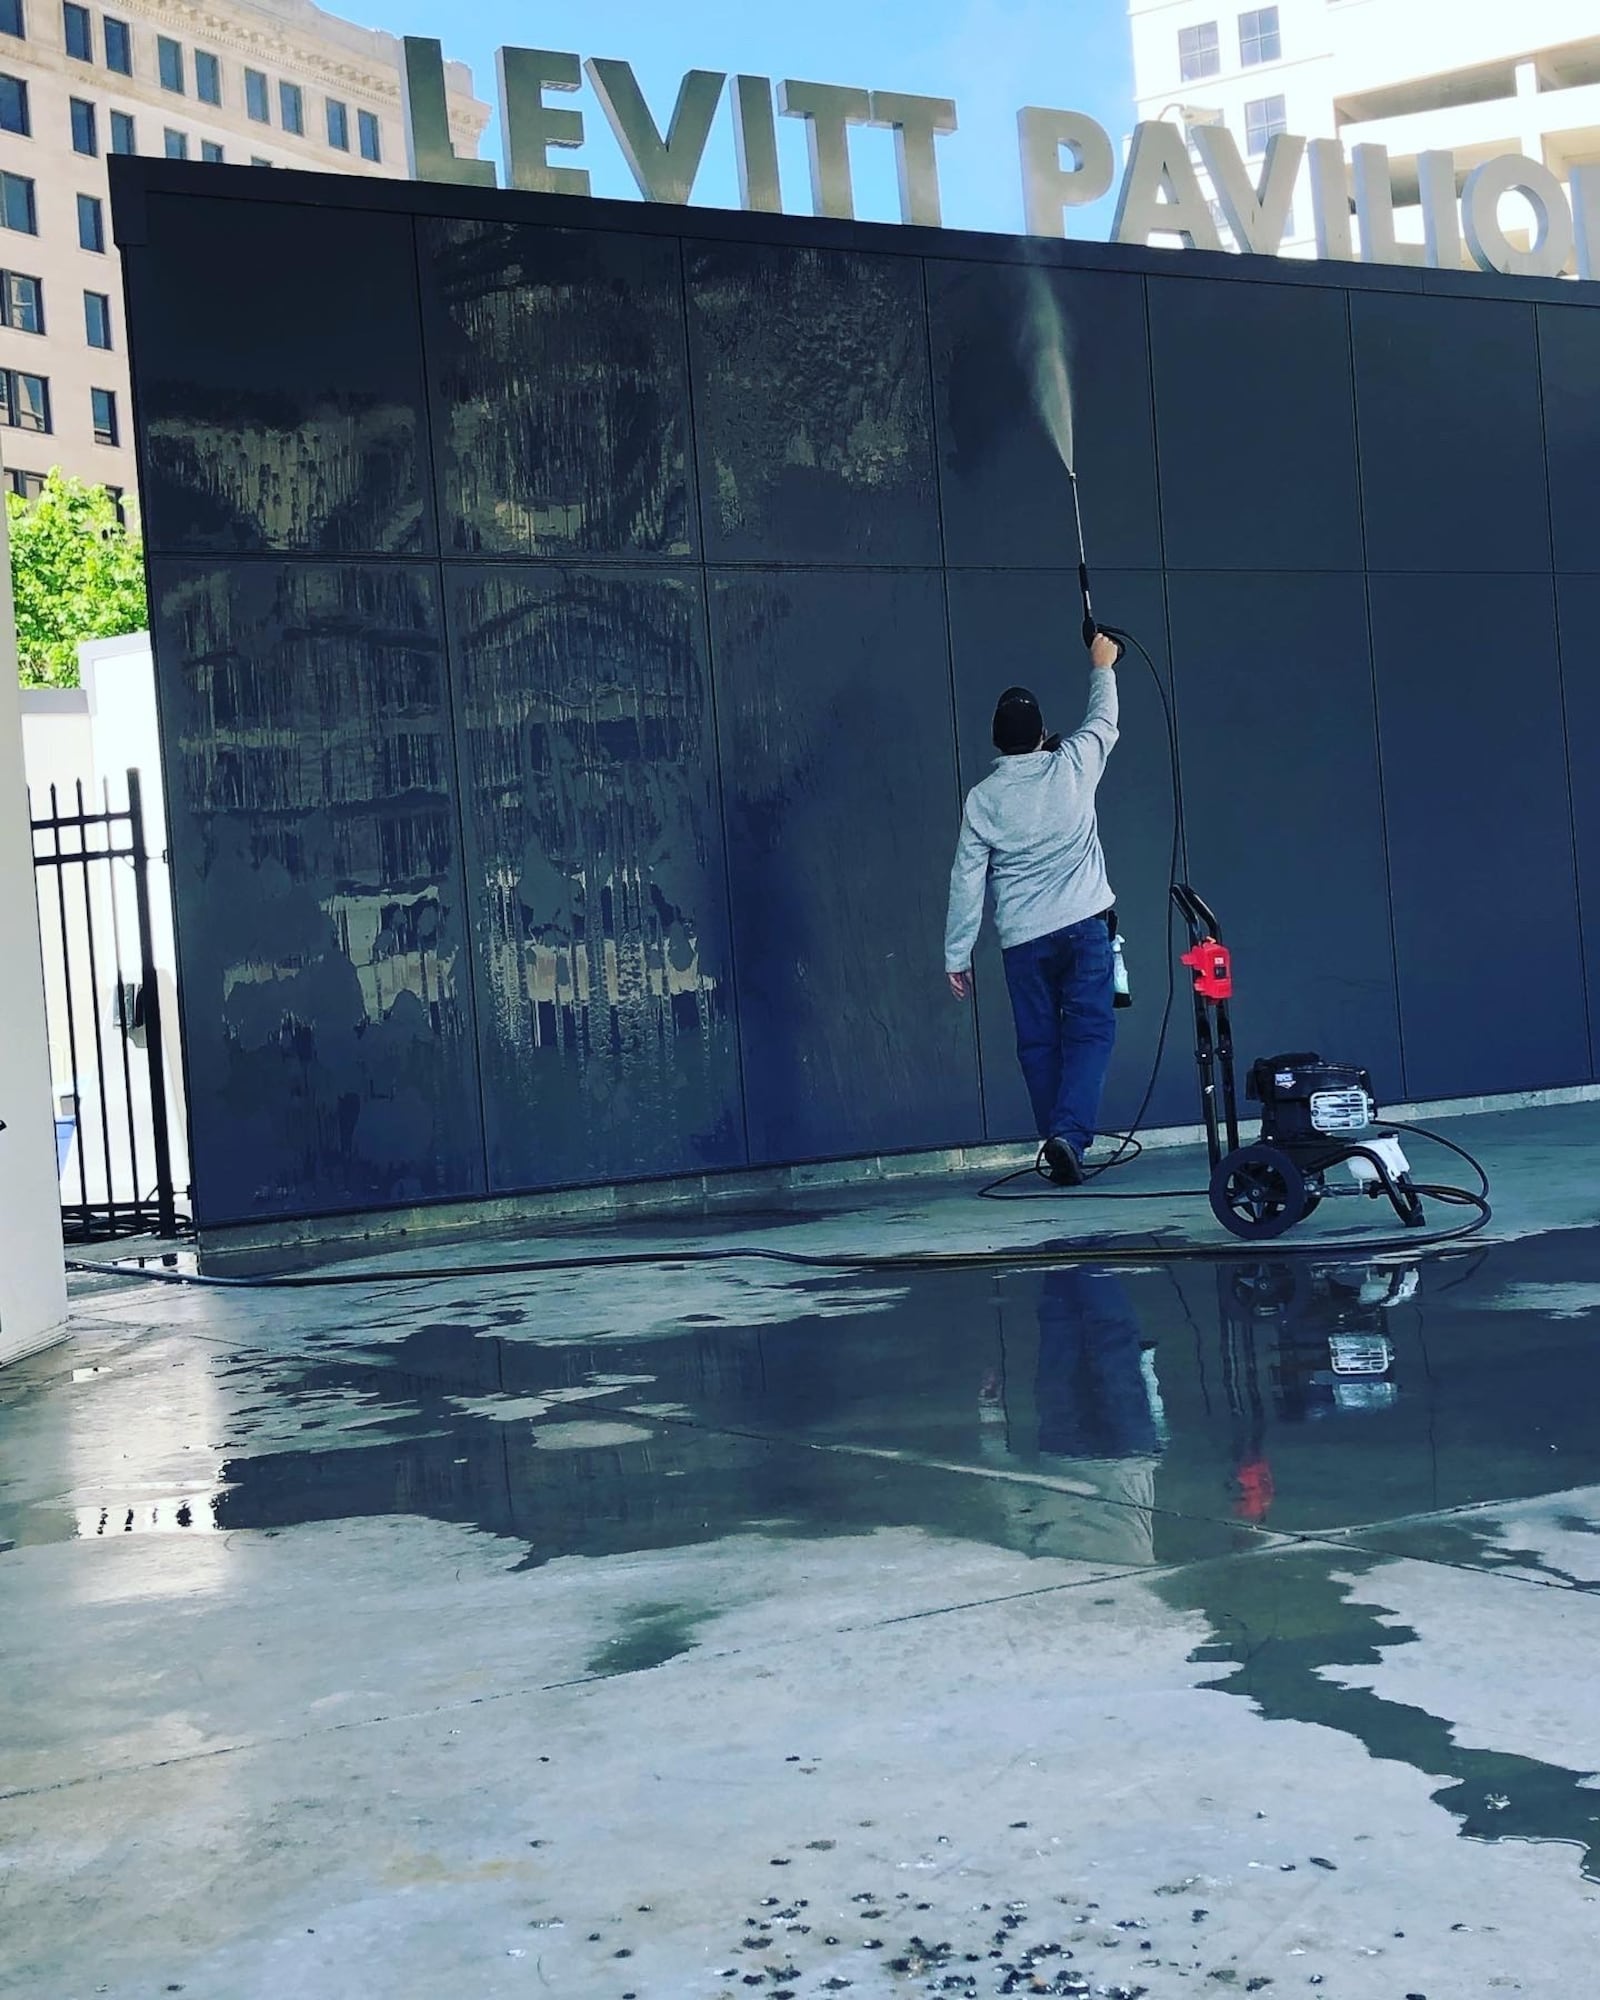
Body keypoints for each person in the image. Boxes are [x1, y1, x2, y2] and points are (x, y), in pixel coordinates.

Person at [944, 630, 1122, 1185]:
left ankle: (1058, 1143)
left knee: (1039, 1043)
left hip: (1023, 942)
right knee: (1090, 1033)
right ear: (1043, 734)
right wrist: (1102, 665)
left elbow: (966, 881)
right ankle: (1070, 1137)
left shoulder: (982, 799)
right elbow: (1104, 721)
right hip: (1085, 927)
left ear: (997, 744)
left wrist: (958, 955)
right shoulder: (1072, 765)